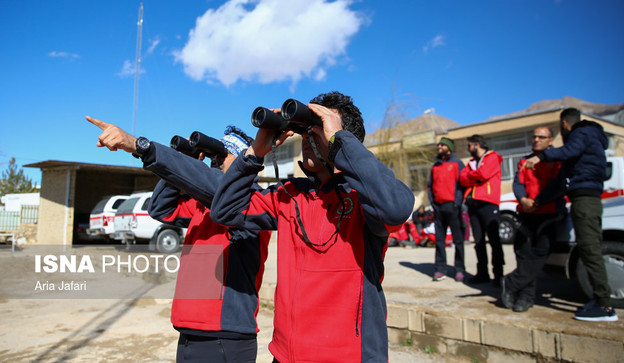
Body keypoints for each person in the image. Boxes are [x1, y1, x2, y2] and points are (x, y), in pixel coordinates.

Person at [210, 91, 415, 362]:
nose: (307, 139)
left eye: (318, 130)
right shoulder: (289, 194)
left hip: (349, 356)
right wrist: (254, 153)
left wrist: (341, 141)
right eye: (305, 132)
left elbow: (396, 208)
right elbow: (224, 209)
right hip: (284, 355)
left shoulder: (364, 198)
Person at [87, 117, 272, 361]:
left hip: (225, 334)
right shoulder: (201, 206)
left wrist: (140, 146)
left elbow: (216, 186)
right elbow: (161, 208)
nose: (214, 162)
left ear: (243, 162)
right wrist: (184, 158)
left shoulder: (252, 202)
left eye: (221, 156)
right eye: (213, 157)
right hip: (188, 330)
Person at [524, 108, 617, 322]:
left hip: (585, 200)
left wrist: (542, 157)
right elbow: (560, 180)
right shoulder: (589, 141)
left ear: (564, 124)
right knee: (590, 249)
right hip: (584, 198)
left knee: (589, 249)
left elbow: (567, 152)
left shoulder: (581, 134)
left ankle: (605, 305)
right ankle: (600, 299)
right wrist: (540, 200)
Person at [501, 127, 566, 312]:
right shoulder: (524, 161)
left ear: (550, 140)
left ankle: (511, 282)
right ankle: (525, 297)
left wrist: (539, 201)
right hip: (526, 212)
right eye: (534, 136)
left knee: (540, 253)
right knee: (523, 253)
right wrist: (523, 199)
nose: (536, 139)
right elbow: (518, 183)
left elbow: (558, 185)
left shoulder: (557, 161)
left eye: (541, 137)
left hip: (548, 213)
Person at [459, 134, 504, 286]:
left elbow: (484, 174)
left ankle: (498, 274)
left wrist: (476, 176)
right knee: (478, 241)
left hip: (488, 203)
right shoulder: (471, 163)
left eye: (469, 145)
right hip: (473, 205)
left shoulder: (493, 157)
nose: (468, 148)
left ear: (477, 144)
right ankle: (482, 272)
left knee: (494, 240)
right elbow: (463, 178)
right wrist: (476, 177)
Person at [428, 137, 466, 282]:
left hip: (453, 207)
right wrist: (433, 202)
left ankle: (460, 269)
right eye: (438, 144)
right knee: (439, 241)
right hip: (438, 207)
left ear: (449, 148)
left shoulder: (457, 164)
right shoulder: (435, 166)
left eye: (442, 144)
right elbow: (430, 186)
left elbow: (461, 185)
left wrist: (457, 203)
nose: (439, 146)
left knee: (458, 240)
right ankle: (440, 269)